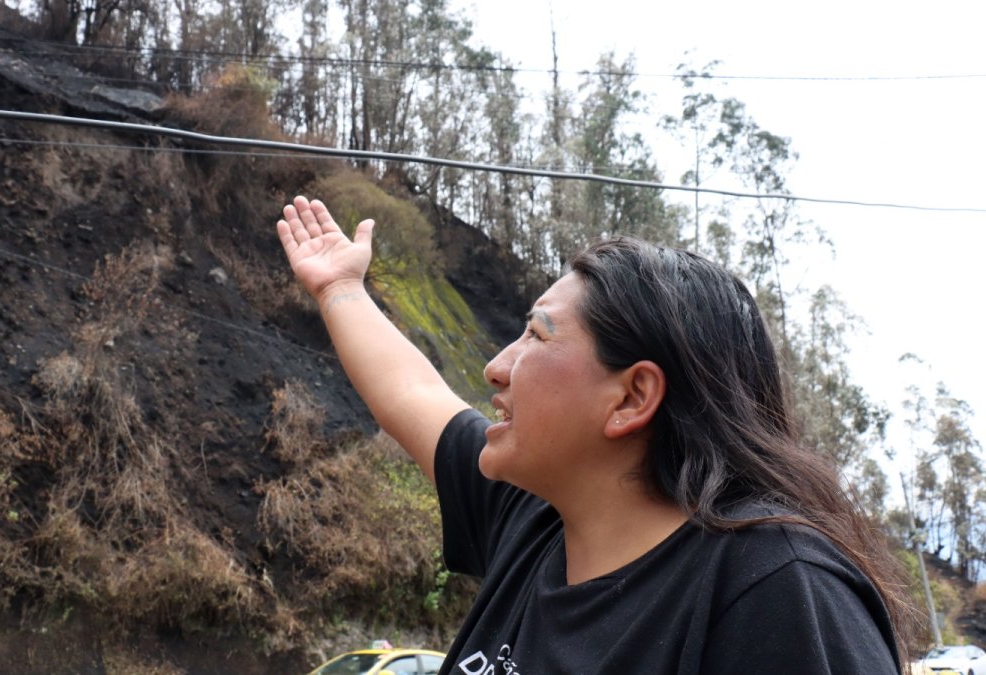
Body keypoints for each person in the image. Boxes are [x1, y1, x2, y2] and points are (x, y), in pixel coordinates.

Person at [275, 196, 910, 674]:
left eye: (538, 335)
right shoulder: (536, 521)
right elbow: (413, 396)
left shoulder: (776, 589)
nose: (496, 366)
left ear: (632, 397)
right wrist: (339, 288)